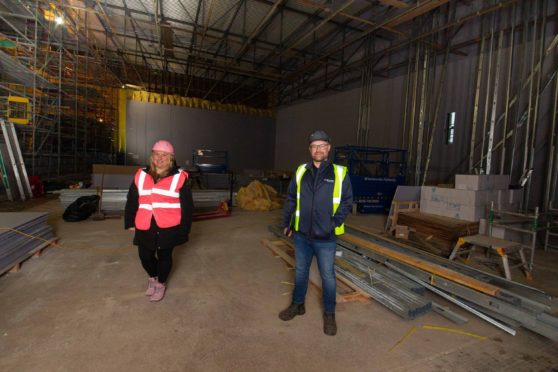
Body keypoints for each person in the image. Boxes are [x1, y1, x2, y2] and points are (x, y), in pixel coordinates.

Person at [279, 130, 353, 336]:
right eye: (314, 146)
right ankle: (297, 304)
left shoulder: (340, 172)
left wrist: (334, 222)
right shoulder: (301, 171)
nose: (318, 149)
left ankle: (329, 314)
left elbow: (347, 201)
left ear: (329, 148)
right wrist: (287, 222)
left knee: (327, 276)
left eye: (322, 145)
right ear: (309, 149)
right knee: (300, 271)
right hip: (302, 234)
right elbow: (291, 198)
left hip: (326, 238)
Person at [125, 140, 194, 302]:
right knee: (145, 256)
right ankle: (153, 278)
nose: (160, 158)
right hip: (145, 222)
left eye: (164, 155)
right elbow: (132, 199)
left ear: (171, 158)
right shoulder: (141, 175)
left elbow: (188, 207)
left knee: (164, 257)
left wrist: (184, 230)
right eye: (156, 154)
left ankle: (161, 283)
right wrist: (129, 222)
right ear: (152, 156)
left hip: (168, 226)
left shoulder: (180, 178)